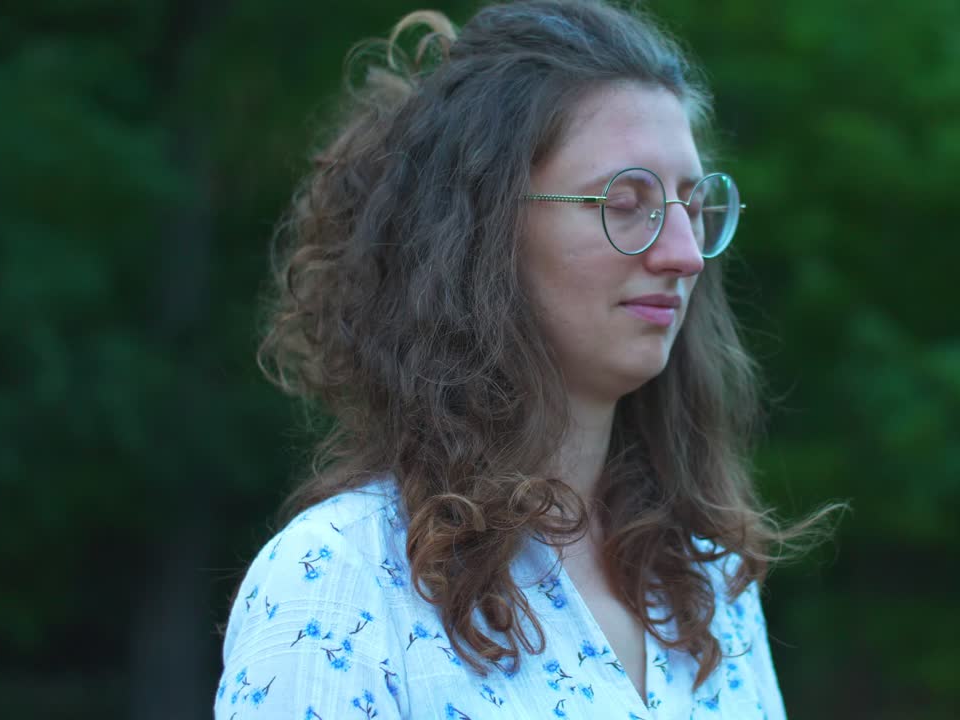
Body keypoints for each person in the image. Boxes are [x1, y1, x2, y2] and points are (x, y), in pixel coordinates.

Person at [215, 1, 834, 717]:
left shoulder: (703, 582)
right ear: (483, 229)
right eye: (625, 201)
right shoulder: (341, 581)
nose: (684, 254)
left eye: (691, 205)